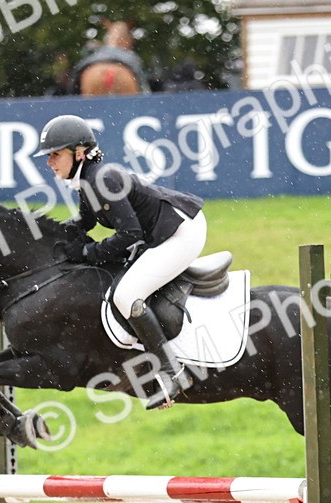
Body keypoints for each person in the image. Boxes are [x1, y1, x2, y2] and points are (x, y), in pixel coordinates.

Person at [35, 114, 205, 409]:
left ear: (78, 153)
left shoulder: (100, 179)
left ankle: (171, 372)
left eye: (55, 154)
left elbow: (130, 233)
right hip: (162, 232)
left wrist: (89, 254)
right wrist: (53, 236)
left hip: (181, 232)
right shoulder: (87, 179)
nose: (49, 162)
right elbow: (85, 221)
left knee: (127, 295)